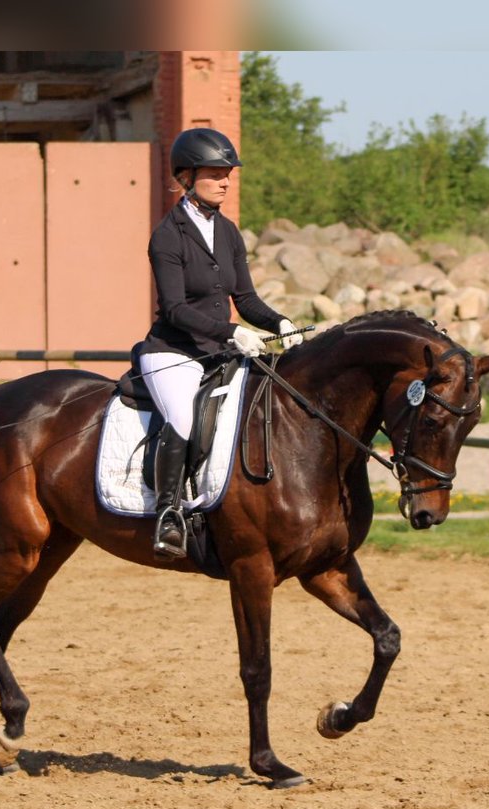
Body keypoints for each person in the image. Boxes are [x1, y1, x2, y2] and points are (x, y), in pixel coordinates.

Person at [138, 127, 302, 558]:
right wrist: (232, 332)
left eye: (228, 173)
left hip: (219, 352)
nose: (226, 181)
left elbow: (244, 298)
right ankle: (168, 514)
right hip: (173, 353)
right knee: (184, 420)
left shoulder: (228, 232)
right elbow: (174, 308)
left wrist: (279, 321)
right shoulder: (167, 235)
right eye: (215, 174)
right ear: (187, 177)